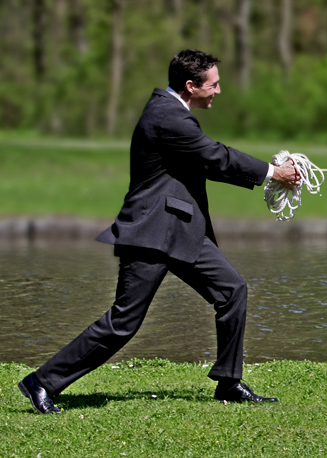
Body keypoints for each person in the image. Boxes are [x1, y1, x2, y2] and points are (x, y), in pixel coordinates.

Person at [18, 49, 301, 414]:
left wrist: (267, 174)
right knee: (124, 322)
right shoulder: (168, 117)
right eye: (213, 84)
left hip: (183, 231)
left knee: (232, 291)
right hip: (151, 233)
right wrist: (272, 173)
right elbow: (215, 156)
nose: (218, 90)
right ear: (190, 86)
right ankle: (41, 382)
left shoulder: (173, 115)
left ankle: (229, 383)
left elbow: (208, 163)